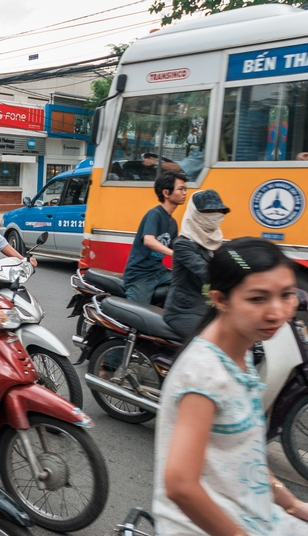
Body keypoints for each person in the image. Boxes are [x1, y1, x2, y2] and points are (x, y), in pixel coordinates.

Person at [153, 238, 308, 535]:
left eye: (286, 294)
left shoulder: (241, 351)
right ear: (221, 300)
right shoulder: (204, 374)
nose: (277, 312)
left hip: (253, 512)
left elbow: (244, 453)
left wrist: (292, 505)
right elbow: (180, 485)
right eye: (258, 299)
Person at [164, 190, 230, 339]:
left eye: (219, 211)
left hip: (210, 309)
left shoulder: (216, 242)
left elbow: (237, 259)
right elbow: (206, 271)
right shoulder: (182, 244)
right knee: (212, 342)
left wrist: (250, 270)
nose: (215, 215)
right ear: (195, 213)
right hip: (184, 312)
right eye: (208, 211)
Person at [123, 171, 187, 304]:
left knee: (187, 283)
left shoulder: (172, 222)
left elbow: (177, 246)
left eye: (185, 189)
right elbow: (148, 240)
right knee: (139, 319)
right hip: (140, 275)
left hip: (159, 272)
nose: (184, 193)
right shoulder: (155, 214)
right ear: (166, 193)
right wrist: (173, 253)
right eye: (181, 189)